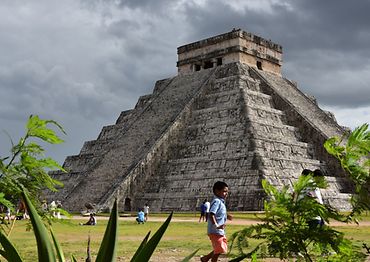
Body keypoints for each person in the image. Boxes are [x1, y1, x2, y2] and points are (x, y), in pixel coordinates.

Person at [201, 181, 232, 262]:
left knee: (221, 247)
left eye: (227, 192)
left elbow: (219, 212)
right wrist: (216, 225)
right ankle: (210, 260)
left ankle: (205, 258)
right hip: (215, 230)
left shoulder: (221, 201)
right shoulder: (217, 201)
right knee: (219, 248)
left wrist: (227, 215)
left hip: (219, 230)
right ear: (217, 191)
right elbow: (211, 214)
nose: (226, 194)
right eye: (224, 191)